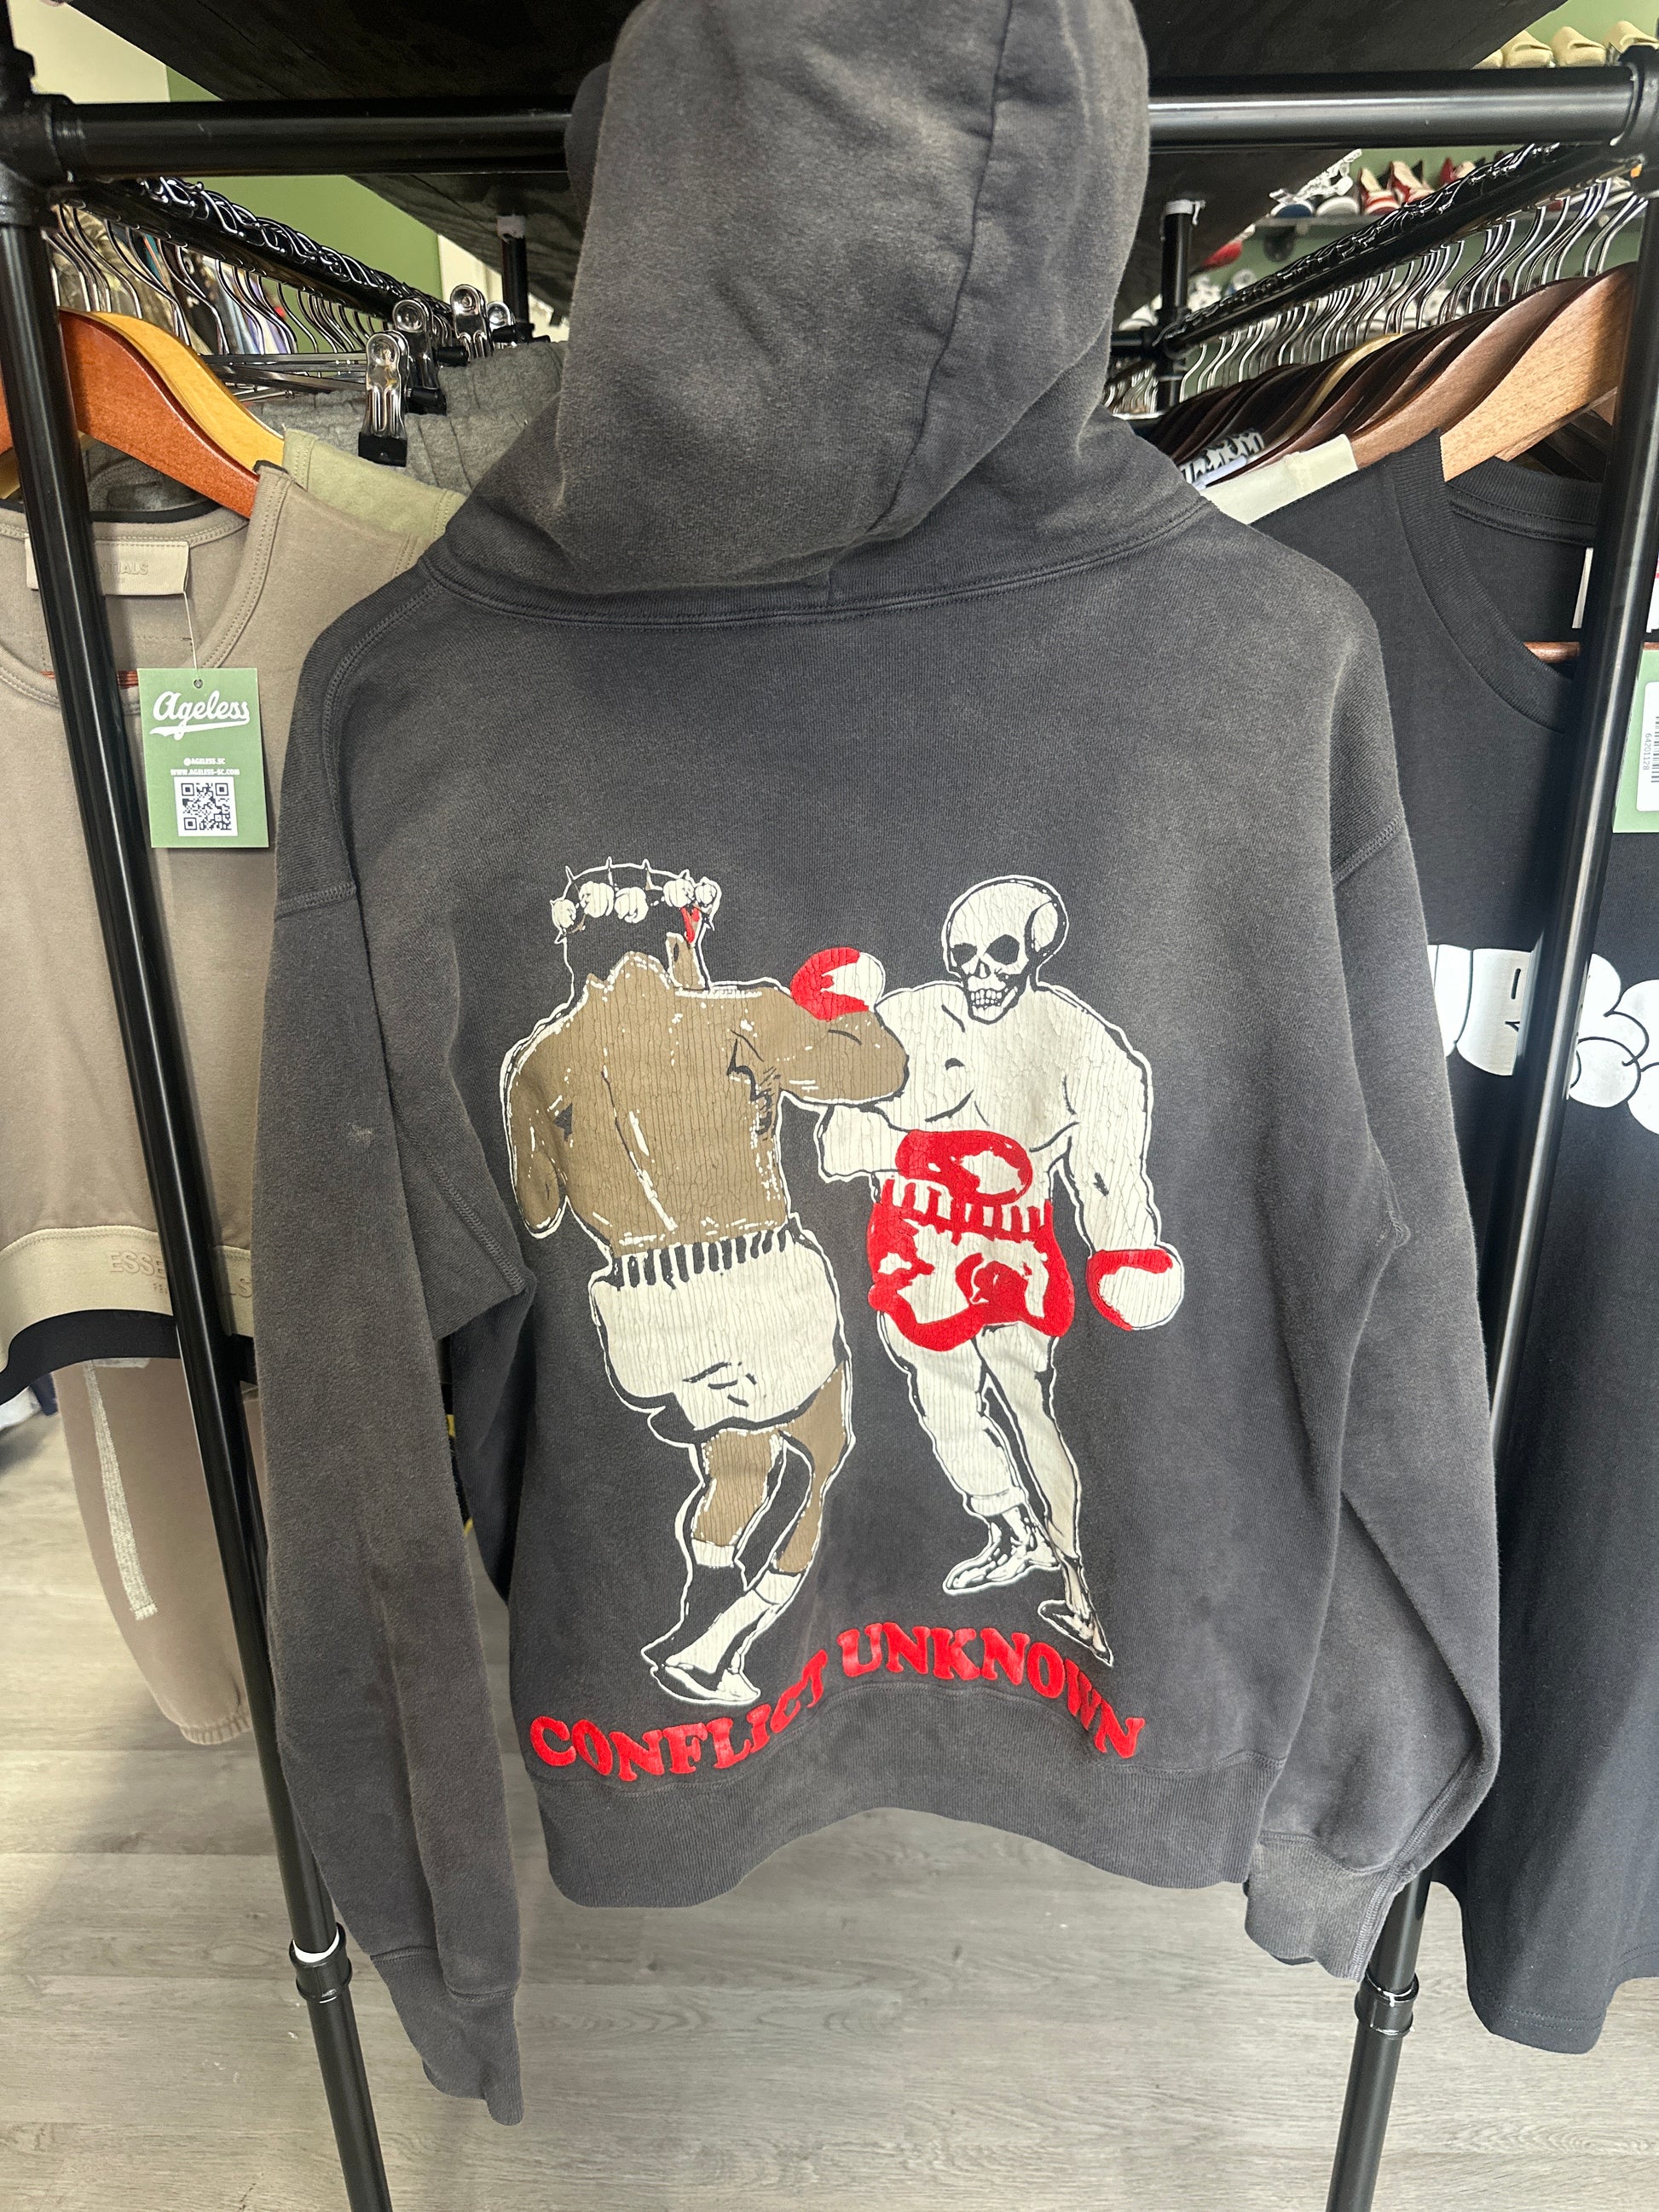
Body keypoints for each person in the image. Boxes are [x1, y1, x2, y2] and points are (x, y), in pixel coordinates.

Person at [501, 859, 907, 1702]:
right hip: (755, 1279)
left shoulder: (537, 1061)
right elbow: (879, 1073)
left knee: (739, 1463)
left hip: (642, 1310)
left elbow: (537, 1213)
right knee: (820, 1455)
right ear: (678, 939)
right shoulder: (743, 1014)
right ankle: (720, 1638)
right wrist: (848, 1000)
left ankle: (703, 1600)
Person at [819, 875, 1182, 1662]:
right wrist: (927, 1151)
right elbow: (838, 1143)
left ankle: (1083, 1584)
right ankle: (1013, 1526)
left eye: (1001, 954)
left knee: (1031, 1408)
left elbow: (1110, 1165)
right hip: (917, 1254)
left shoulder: (1079, 1040)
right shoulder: (910, 1017)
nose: (981, 973)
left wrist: (1124, 1243)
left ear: (1034, 954)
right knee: (942, 1400)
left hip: (1012, 1256)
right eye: (966, 956)